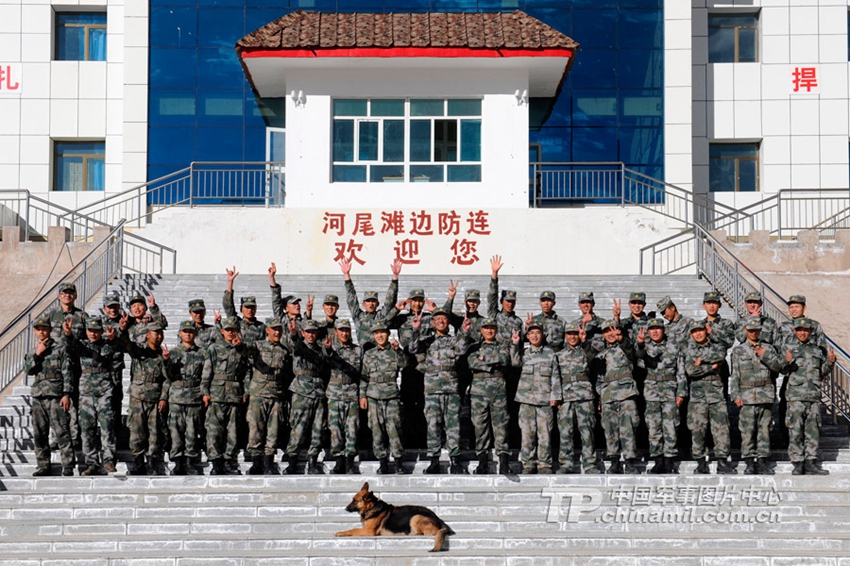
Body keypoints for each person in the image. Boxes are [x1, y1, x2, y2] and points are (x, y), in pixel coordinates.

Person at [409, 308, 472, 474]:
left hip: (451, 388)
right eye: (438, 319)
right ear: (433, 323)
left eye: (444, 319)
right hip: (432, 389)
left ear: (448, 322)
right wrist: (415, 330)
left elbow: (462, 350)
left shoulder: (454, 340)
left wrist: (465, 332)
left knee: (453, 425)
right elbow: (413, 349)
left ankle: (455, 460)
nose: (441, 322)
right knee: (433, 425)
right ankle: (434, 461)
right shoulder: (427, 341)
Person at [391, 284, 453, 449]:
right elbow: (384, 321)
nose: (418, 304)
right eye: (415, 301)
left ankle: (426, 441)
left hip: (426, 367)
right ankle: (410, 442)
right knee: (409, 406)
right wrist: (396, 309)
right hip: (408, 366)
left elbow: (443, 322)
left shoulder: (428, 318)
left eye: (420, 301)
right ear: (410, 302)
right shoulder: (402, 319)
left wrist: (440, 307)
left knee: (426, 406)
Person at [62, 318, 121, 475]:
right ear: (86, 331)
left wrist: (112, 338)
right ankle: (92, 462)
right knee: (87, 428)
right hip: (86, 391)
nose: (93, 334)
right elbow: (71, 344)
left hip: (104, 389)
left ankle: (109, 461)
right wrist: (68, 333)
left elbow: (117, 349)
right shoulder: (83, 345)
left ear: (101, 331)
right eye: (90, 330)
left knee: (107, 425)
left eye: (96, 330)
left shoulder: (107, 344)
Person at [730, 317, 785, 475]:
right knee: (747, 431)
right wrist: (736, 395)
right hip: (746, 396)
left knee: (765, 430)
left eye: (757, 330)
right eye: (751, 330)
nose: (754, 333)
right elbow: (735, 375)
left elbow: (778, 369)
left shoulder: (769, 348)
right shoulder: (738, 350)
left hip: (765, 395)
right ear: (745, 330)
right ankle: (749, 461)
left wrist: (765, 355)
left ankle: (762, 461)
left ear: (760, 331)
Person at [116, 315, 170, 476]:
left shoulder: (164, 354)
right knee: (137, 431)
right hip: (138, 397)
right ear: (147, 334)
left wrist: (163, 397)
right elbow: (125, 344)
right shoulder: (139, 350)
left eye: (160, 333)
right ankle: (138, 462)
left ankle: (152, 462)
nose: (158, 336)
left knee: (155, 433)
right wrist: (123, 330)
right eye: (155, 333)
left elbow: (168, 379)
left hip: (155, 398)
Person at [784, 318, 836, 475]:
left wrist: (831, 363)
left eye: (805, 330)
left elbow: (822, 372)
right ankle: (798, 463)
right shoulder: (789, 349)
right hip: (795, 398)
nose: (802, 333)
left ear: (810, 332)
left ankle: (811, 462)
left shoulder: (817, 351)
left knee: (812, 431)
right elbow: (781, 369)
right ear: (794, 331)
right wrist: (786, 362)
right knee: (795, 431)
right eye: (799, 330)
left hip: (813, 396)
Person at [682, 320, 735, 475]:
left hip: (716, 394)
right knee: (697, 429)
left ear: (707, 331)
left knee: (721, 429)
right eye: (694, 332)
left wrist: (700, 363)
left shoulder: (717, 346)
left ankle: (722, 461)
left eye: (701, 330)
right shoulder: (689, 350)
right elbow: (691, 371)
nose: (698, 334)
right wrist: (710, 367)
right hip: (697, 396)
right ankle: (700, 463)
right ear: (691, 334)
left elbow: (719, 356)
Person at [241, 317, 292, 475]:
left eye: (279, 329)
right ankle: (256, 462)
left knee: (273, 430)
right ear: (267, 330)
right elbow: (246, 350)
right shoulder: (258, 345)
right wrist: (238, 345)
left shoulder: (284, 350)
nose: (277, 332)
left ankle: (269, 462)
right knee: (256, 428)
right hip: (259, 393)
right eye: (274, 329)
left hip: (276, 394)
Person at [635, 317, 687, 474]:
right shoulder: (645, 348)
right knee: (654, 428)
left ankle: (669, 460)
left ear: (664, 330)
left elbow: (681, 372)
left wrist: (681, 393)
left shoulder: (673, 347)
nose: (655, 331)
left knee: (671, 427)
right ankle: (658, 460)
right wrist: (641, 345)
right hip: (651, 393)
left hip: (670, 392)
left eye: (658, 328)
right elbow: (638, 361)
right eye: (652, 329)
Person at [282, 319, 333, 475]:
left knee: (317, 428)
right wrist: (293, 334)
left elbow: (327, 360)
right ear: (303, 333)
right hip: (301, 391)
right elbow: (295, 344)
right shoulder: (299, 346)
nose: (311, 335)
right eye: (308, 332)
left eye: (313, 332)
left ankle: (313, 462)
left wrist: (329, 350)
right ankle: (292, 462)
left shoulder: (320, 348)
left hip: (318, 391)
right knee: (298, 427)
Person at [26, 317, 75, 476]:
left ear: (50, 330)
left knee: (61, 432)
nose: (41, 331)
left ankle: (67, 466)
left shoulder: (60, 348)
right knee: (39, 434)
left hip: (55, 395)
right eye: (38, 329)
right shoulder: (33, 351)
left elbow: (67, 372)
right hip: (38, 396)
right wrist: (37, 354)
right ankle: (43, 465)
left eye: (44, 328)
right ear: (35, 332)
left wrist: (66, 394)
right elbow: (29, 370)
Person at [201, 316, 249, 475]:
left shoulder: (241, 349)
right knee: (214, 430)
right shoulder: (214, 348)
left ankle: (229, 460)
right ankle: (216, 462)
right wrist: (205, 392)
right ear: (222, 331)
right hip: (217, 393)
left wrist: (246, 391)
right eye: (227, 330)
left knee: (232, 430)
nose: (230, 333)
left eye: (233, 330)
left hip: (234, 393)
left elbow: (247, 372)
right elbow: (207, 372)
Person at [45, 282, 88, 454]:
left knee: (74, 401)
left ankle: (75, 437)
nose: (67, 295)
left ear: (75, 296)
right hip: (55, 366)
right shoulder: (51, 315)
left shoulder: (82, 316)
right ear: (58, 296)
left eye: (71, 293)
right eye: (64, 293)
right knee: (57, 402)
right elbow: (42, 336)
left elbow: (87, 341)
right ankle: (57, 438)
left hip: (75, 364)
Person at [466, 317, 513, 475]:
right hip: (478, 392)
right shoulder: (475, 347)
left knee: (501, 425)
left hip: (498, 390)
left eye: (492, 328)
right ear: (481, 330)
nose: (489, 330)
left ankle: (504, 460)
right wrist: (492, 364)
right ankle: (482, 461)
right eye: (486, 328)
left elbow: (504, 359)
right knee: (480, 426)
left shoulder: (503, 346)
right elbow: (471, 362)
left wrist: (483, 360)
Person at [360, 320, 408, 474]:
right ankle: (383, 462)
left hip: (391, 396)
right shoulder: (369, 354)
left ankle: (398, 461)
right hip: (373, 396)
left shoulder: (395, 351)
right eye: (376, 333)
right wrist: (362, 396)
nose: (380, 335)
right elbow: (364, 376)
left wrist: (398, 350)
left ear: (388, 334)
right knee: (376, 430)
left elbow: (404, 364)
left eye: (382, 332)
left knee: (394, 429)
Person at [594, 320, 641, 474]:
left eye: (613, 331)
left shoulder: (625, 349)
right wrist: (600, 398)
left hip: (626, 394)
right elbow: (599, 379)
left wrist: (622, 339)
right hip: (608, 397)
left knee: (628, 428)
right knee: (610, 429)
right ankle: (614, 461)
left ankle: (630, 461)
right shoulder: (601, 355)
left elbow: (634, 353)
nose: (610, 334)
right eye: (607, 332)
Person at [514, 320, 559, 474]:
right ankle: (528, 463)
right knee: (527, 434)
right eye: (531, 333)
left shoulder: (550, 353)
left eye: (537, 332)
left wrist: (556, 396)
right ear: (527, 336)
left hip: (545, 401)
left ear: (543, 335)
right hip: (526, 400)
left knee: (545, 434)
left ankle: (544, 464)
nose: (534, 336)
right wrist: (515, 344)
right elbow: (514, 363)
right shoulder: (523, 353)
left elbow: (555, 376)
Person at [554, 322, 599, 474]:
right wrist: (557, 396)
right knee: (565, 432)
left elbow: (594, 359)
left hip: (585, 397)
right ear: (565, 336)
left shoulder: (586, 352)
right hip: (566, 397)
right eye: (569, 334)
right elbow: (555, 377)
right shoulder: (559, 355)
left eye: (575, 334)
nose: (573, 337)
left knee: (587, 431)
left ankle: (590, 464)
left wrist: (585, 341)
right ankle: (566, 464)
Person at [164, 321, 206, 476]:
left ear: (195, 334)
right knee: (175, 431)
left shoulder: (202, 353)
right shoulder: (173, 352)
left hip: (194, 396)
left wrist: (205, 393)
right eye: (185, 331)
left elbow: (205, 375)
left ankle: (190, 461)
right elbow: (167, 376)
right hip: (176, 396)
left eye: (191, 331)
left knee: (192, 431)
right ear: (180, 333)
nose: (188, 334)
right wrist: (167, 361)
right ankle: (177, 462)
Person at [325, 318, 363, 474]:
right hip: (334, 394)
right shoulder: (331, 348)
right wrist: (328, 349)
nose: (344, 333)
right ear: (336, 332)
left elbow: (363, 373)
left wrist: (363, 394)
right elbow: (326, 357)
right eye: (341, 330)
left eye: (346, 330)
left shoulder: (358, 350)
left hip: (352, 393)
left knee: (352, 428)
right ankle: (338, 461)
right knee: (335, 429)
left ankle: (349, 462)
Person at [341, 258, 401, 350]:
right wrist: (346, 275)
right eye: (368, 301)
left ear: (377, 303)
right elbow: (351, 299)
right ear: (363, 304)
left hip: (381, 354)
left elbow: (390, 301)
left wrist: (395, 277)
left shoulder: (381, 316)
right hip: (364, 356)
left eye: (373, 301)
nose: (371, 304)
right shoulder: (358, 316)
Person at [99, 291, 127, 448]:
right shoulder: (97, 323)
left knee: (115, 401)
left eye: (115, 306)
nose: (112, 310)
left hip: (115, 369)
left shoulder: (124, 322)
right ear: (104, 308)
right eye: (109, 307)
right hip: (100, 369)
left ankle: (116, 435)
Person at [223, 266, 267, 347]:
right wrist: (230, 282)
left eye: (252, 307)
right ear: (241, 309)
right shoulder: (237, 323)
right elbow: (228, 306)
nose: (250, 310)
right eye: (247, 307)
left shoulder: (261, 327)